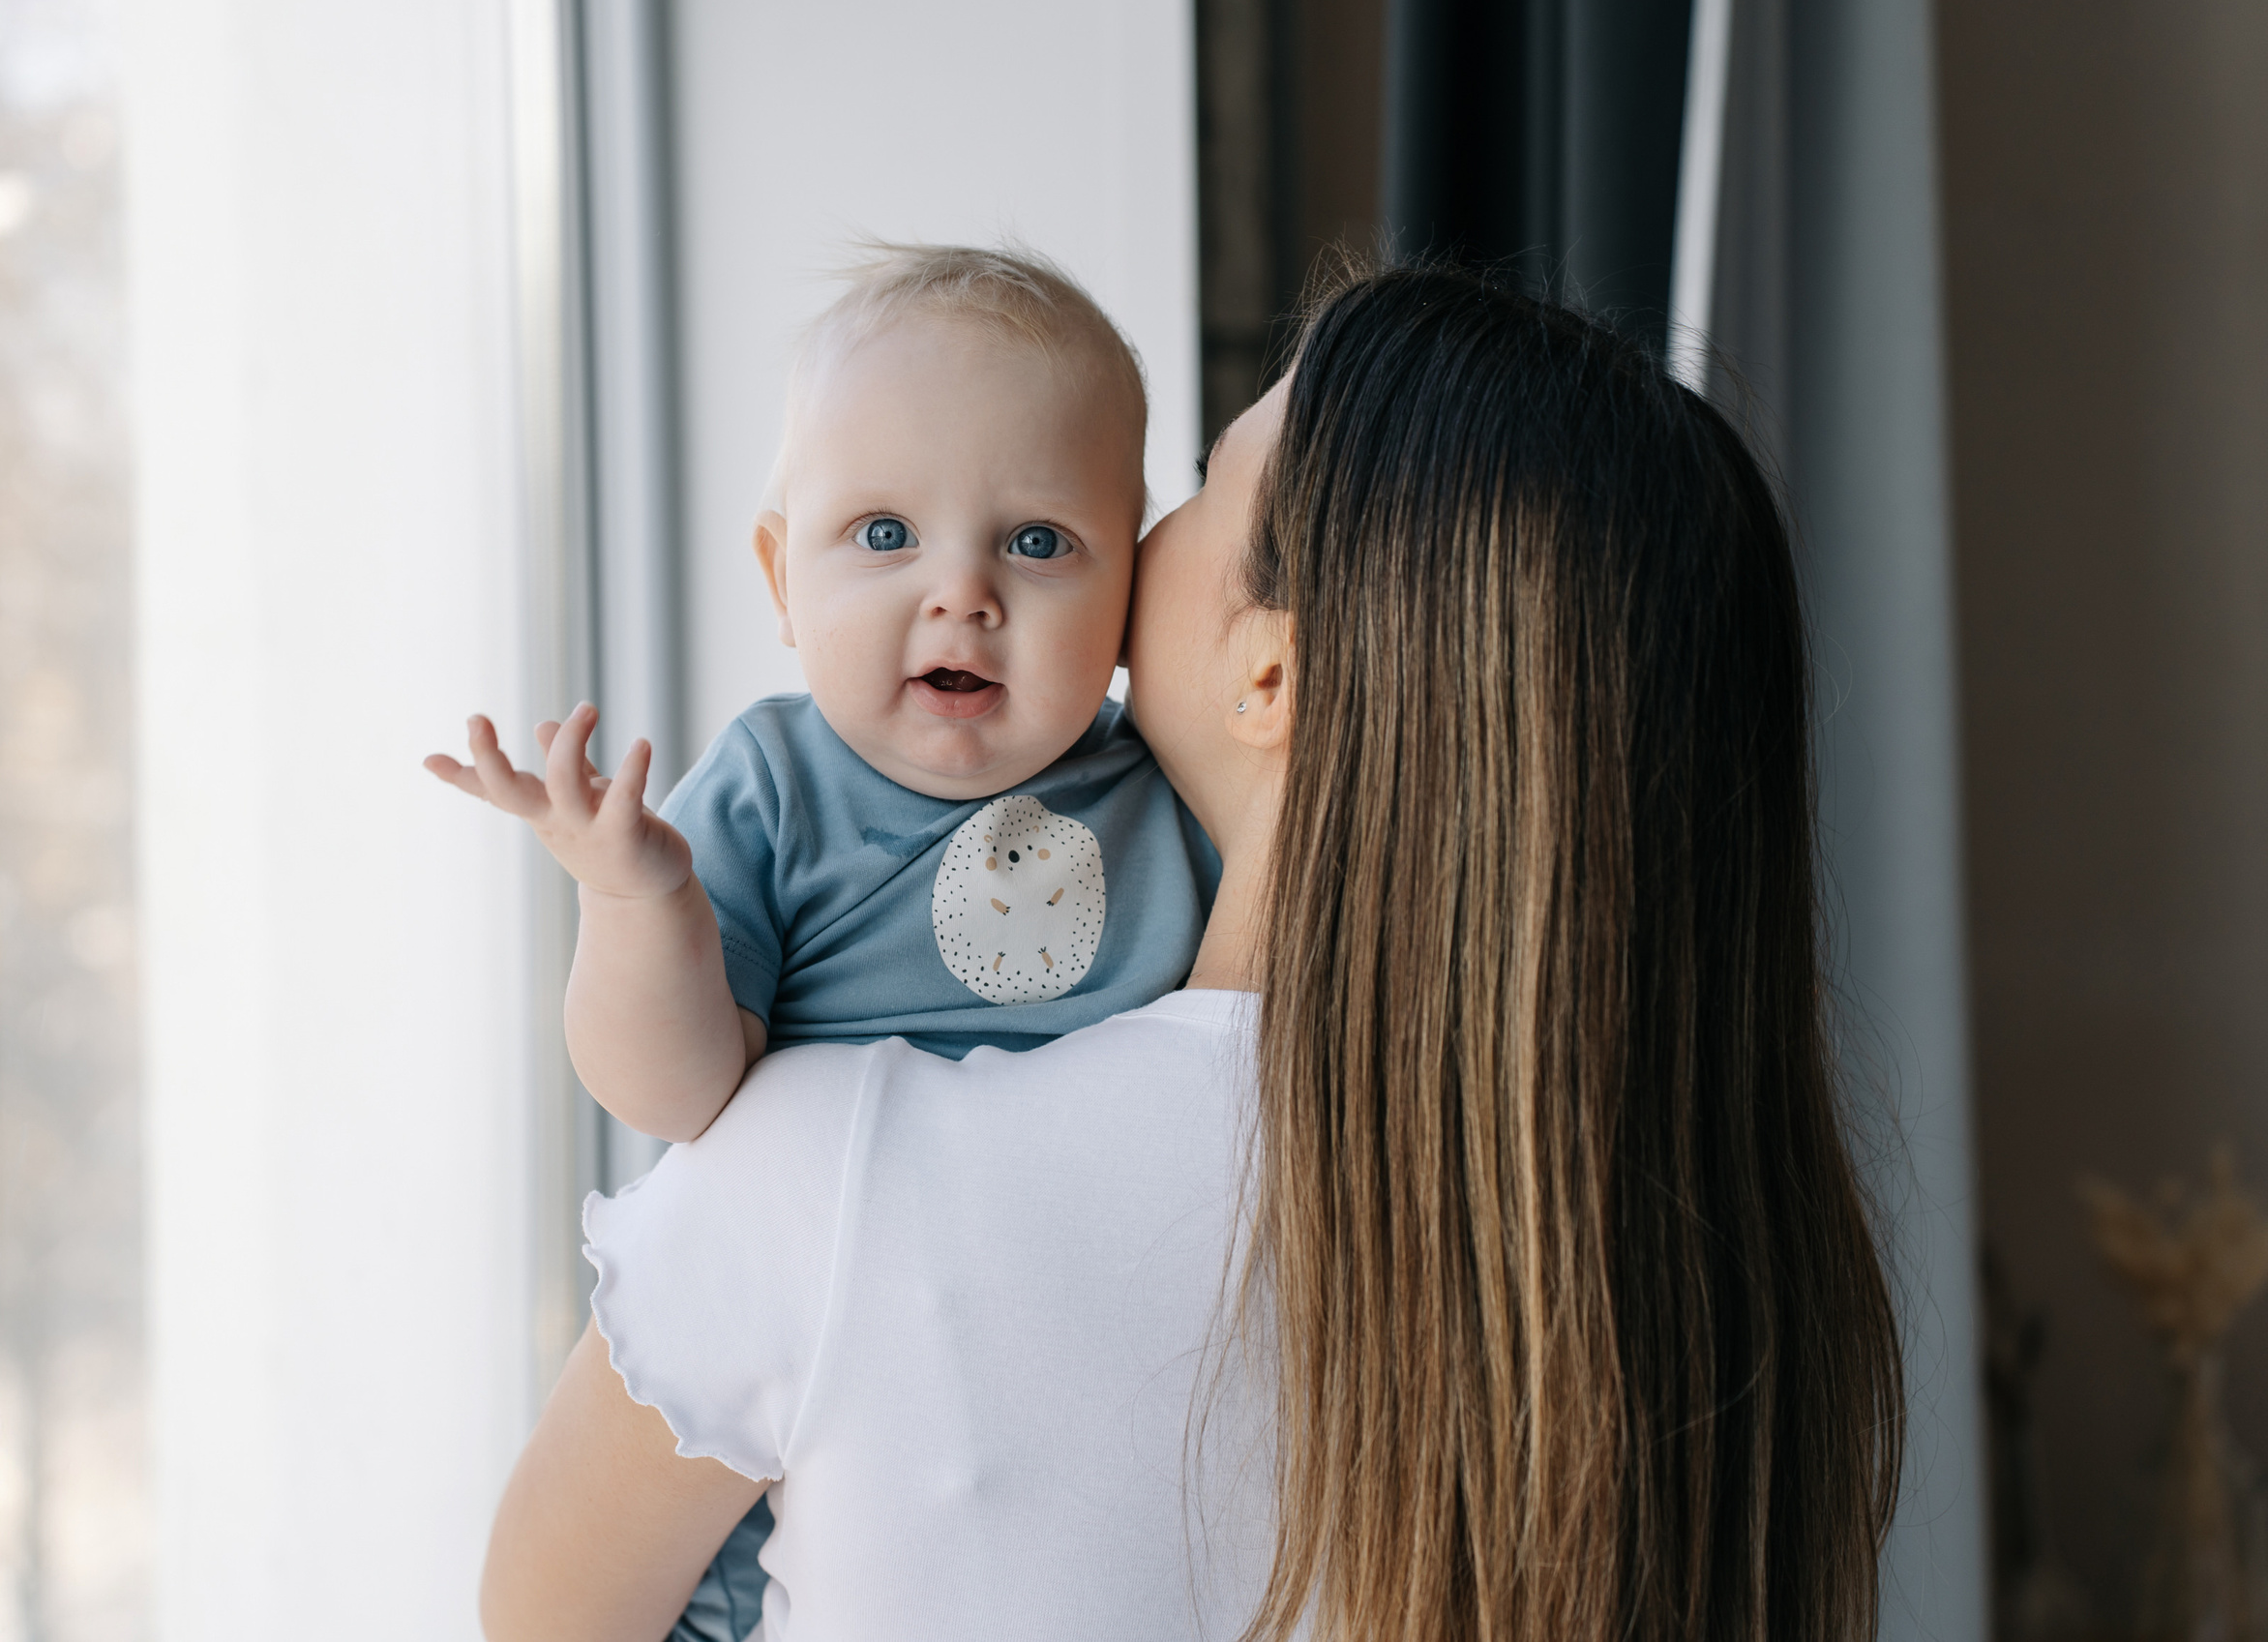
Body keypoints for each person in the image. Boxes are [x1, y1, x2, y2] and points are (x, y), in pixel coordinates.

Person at [477, 263, 1906, 1642]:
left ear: (1270, 671)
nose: (1143, 536)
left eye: (1207, 485)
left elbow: (535, 1616)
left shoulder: (837, 1167)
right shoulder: (1661, 1275)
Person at [431, 244, 1219, 1640]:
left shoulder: (1162, 797)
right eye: (882, 533)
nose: (963, 591)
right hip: (785, 1411)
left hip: (1044, 1384)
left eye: (1039, 541)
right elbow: (674, 1091)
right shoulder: (774, 789)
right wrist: (636, 906)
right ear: (779, 575)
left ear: (1131, 591)